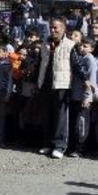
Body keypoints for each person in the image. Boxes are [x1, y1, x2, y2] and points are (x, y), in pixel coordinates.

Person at [37, 18, 76, 159]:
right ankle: (47, 143)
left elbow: (75, 66)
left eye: (56, 28)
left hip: (62, 84)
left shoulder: (71, 45)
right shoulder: (45, 44)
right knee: (47, 115)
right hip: (46, 83)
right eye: (51, 28)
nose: (53, 30)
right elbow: (40, 63)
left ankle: (59, 146)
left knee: (61, 117)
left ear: (63, 28)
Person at [68, 37, 97, 157]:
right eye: (81, 45)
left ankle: (80, 148)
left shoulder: (90, 60)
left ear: (92, 49)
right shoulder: (79, 58)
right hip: (75, 94)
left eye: (85, 46)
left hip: (83, 97)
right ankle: (74, 146)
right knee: (75, 122)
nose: (81, 48)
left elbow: (91, 80)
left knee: (82, 123)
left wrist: (87, 97)